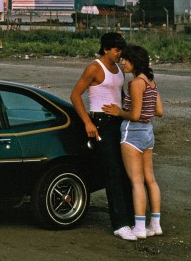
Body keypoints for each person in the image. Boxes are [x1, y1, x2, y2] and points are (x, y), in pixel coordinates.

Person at [70, 32, 136, 241]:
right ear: (106, 49)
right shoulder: (95, 67)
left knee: (127, 172)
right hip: (101, 123)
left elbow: (120, 95)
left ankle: (132, 220)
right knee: (112, 172)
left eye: (121, 50)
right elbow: (75, 95)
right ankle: (120, 224)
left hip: (118, 122)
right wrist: (88, 122)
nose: (120, 54)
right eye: (117, 50)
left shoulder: (118, 69)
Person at [102, 44, 164, 239]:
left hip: (133, 133)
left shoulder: (136, 83)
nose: (123, 62)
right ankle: (155, 224)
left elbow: (135, 115)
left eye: (127, 59)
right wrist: (145, 108)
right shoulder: (151, 82)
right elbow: (159, 111)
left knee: (136, 182)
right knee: (150, 180)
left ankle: (138, 227)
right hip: (148, 132)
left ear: (135, 61)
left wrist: (119, 112)